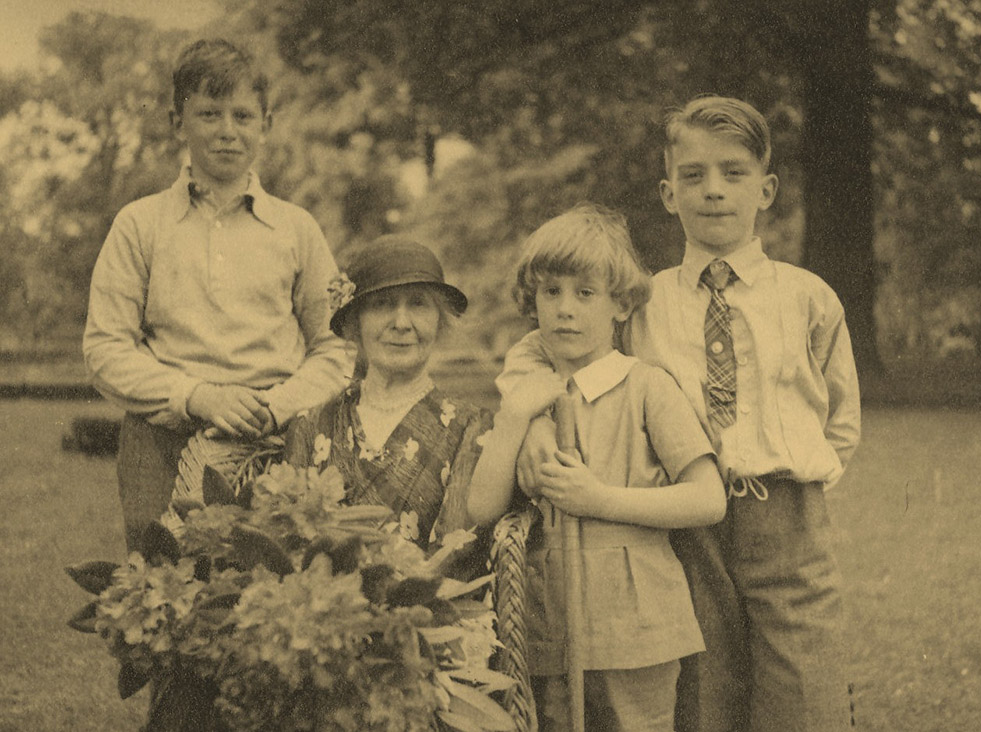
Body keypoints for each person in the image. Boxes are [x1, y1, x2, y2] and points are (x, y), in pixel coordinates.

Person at [499, 97, 861, 731]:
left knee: (804, 696)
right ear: (669, 193)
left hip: (788, 520)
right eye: (693, 176)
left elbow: (841, 419)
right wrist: (530, 421)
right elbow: (542, 345)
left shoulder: (810, 298)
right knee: (704, 699)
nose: (713, 191)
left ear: (767, 189)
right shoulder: (643, 299)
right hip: (683, 528)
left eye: (733, 173)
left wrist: (795, 481)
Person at [83, 38, 350, 553]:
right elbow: (104, 350)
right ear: (177, 122)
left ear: (266, 126)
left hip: (279, 437)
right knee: (168, 602)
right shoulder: (139, 225)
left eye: (243, 116)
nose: (228, 131)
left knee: (273, 599)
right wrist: (199, 397)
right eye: (209, 113)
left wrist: (278, 405)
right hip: (163, 441)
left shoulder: (297, 229)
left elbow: (336, 346)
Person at [468, 204, 726, 731]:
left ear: (622, 305)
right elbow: (481, 508)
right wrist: (518, 414)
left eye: (585, 294)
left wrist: (600, 499)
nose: (566, 310)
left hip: (639, 628)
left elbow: (708, 498)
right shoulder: (525, 397)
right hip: (545, 624)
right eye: (551, 292)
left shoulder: (647, 387)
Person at [282, 236, 492, 551]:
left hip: (425, 599)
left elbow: (455, 553)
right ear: (356, 321)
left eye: (418, 304)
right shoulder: (310, 425)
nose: (402, 323)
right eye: (383, 304)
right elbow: (286, 543)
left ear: (440, 320)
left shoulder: (469, 427)